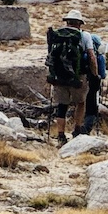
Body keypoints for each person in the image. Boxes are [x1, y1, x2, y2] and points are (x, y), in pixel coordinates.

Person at [44, 9, 91, 145]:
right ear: (79, 23)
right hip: (78, 75)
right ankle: (76, 129)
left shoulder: (57, 34)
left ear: (67, 21)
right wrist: (95, 73)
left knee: (62, 106)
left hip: (58, 75)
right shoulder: (84, 35)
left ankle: (60, 135)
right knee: (80, 102)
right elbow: (91, 55)